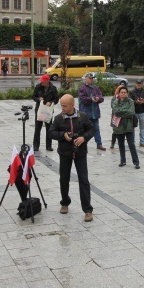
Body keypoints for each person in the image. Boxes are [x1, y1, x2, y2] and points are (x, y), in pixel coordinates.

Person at [49, 94, 95, 222]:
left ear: (72, 105)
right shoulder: (58, 118)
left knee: (84, 180)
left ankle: (87, 210)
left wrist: (83, 137)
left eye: (64, 105)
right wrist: (62, 135)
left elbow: (92, 129)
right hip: (65, 153)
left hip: (80, 153)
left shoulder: (83, 117)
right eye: (61, 105)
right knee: (64, 178)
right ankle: (65, 203)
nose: (62, 108)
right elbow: (51, 133)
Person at [111, 86, 140, 169]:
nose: (123, 94)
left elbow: (131, 112)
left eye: (125, 92)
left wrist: (121, 112)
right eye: (122, 92)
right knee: (121, 144)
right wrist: (124, 112)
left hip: (129, 125)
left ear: (127, 93)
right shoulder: (116, 102)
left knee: (131, 144)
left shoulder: (130, 101)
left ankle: (136, 162)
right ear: (119, 93)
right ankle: (122, 160)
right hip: (119, 126)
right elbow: (116, 112)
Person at [78, 73, 106, 151]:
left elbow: (101, 97)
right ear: (86, 78)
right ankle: (82, 143)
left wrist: (98, 99)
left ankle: (99, 144)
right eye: (90, 78)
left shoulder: (95, 88)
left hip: (95, 113)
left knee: (96, 128)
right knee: (85, 130)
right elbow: (82, 99)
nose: (91, 79)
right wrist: (91, 99)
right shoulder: (82, 88)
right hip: (86, 113)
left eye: (92, 78)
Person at [32, 74, 59, 151]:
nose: (41, 83)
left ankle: (48, 146)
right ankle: (36, 146)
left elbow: (56, 99)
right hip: (40, 110)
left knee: (49, 128)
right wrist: (38, 99)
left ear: (47, 81)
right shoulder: (38, 87)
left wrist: (51, 102)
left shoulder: (53, 89)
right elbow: (33, 96)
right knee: (37, 128)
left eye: (43, 81)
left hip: (48, 111)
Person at [129, 79, 144, 148]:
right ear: (136, 84)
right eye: (138, 83)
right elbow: (129, 101)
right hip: (134, 112)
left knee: (142, 128)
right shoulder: (132, 92)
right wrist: (136, 102)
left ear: (142, 84)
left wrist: (143, 102)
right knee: (132, 127)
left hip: (142, 112)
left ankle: (142, 142)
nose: (139, 85)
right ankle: (132, 142)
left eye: (140, 83)